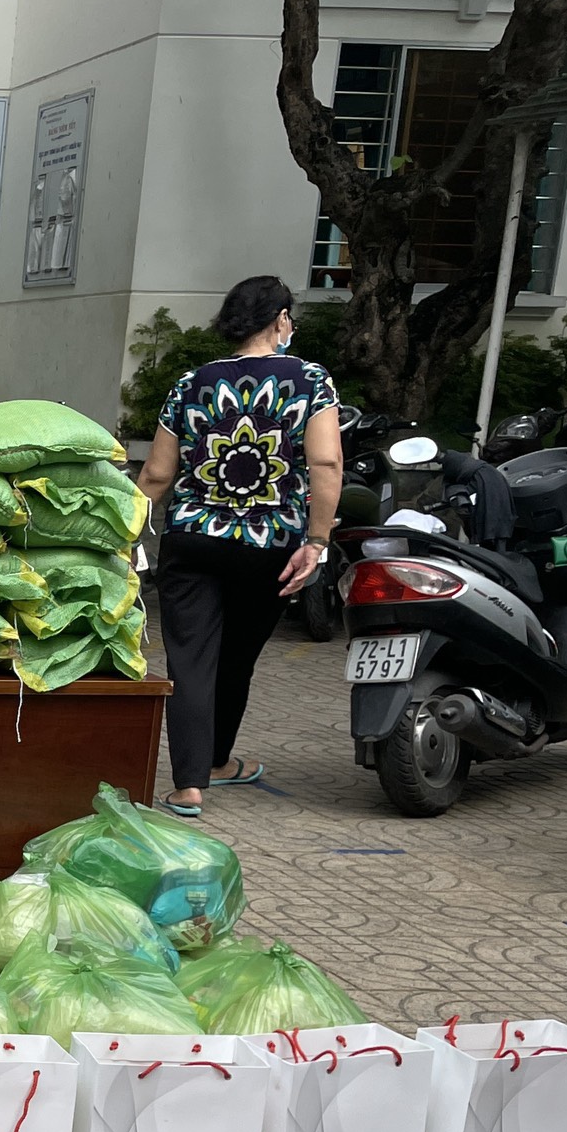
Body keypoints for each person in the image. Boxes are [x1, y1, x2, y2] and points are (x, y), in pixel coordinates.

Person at [137, 274, 341, 816]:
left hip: (193, 540)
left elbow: (157, 474)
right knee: (238, 657)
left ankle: (190, 784)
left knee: (191, 659)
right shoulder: (311, 380)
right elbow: (325, 463)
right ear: (279, 320)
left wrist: (124, 536)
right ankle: (217, 761)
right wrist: (316, 540)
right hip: (272, 544)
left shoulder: (192, 383)